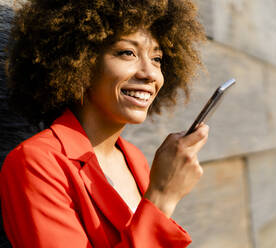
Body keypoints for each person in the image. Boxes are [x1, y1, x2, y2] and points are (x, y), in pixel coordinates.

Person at [0, 0, 208, 247]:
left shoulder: (134, 158)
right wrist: (162, 197)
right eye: (127, 53)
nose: (150, 73)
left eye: (157, 58)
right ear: (80, 61)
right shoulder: (35, 163)